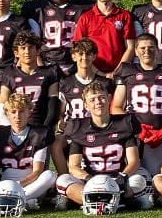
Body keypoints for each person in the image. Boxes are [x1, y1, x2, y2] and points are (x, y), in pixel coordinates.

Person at [56, 82, 148, 210]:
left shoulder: (125, 123)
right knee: (63, 180)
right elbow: (73, 166)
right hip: (90, 181)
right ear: (86, 105)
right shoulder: (78, 127)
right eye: (92, 100)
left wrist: (122, 177)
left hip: (117, 179)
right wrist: (88, 178)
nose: (98, 102)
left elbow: (134, 161)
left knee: (141, 179)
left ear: (109, 99)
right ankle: (120, 201)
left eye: (101, 97)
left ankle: (90, 201)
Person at [0, 93, 57, 214]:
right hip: (2, 187)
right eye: (13, 112)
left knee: (50, 175)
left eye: (22, 111)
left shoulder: (39, 134)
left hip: (28, 186)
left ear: (29, 112)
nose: (17, 116)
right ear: (7, 113)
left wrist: (17, 185)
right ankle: (21, 203)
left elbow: (37, 171)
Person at [113, 33, 162, 175]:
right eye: (143, 48)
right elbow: (116, 107)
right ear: (135, 51)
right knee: (134, 174)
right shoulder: (127, 71)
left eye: (151, 48)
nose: (147, 51)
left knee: (159, 174)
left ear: (158, 49)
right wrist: (136, 129)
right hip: (134, 134)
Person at [20, 0, 92, 74]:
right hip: (46, 62)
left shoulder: (83, 8)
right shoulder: (37, 9)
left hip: (73, 64)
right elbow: (29, 39)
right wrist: (38, 62)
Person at [71, 0, 137, 75]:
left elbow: (130, 47)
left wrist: (117, 72)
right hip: (92, 74)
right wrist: (98, 73)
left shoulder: (125, 16)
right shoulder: (85, 18)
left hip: (120, 74)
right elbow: (79, 49)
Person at [0, 30, 63, 129]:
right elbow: (2, 109)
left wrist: (43, 131)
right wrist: (13, 130)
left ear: (38, 51)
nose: (27, 52)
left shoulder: (50, 72)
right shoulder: (9, 74)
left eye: (30, 48)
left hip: (40, 127)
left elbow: (52, 109)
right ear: (16, 53)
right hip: (15, 128)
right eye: (23, 48)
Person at [57, 39, 104, 122]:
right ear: (73, 56)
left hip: (98, 131)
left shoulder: (105, 83)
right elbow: (60, 114)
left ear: (94, 56)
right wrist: (61, 123)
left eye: (88, 54)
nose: (84, 57)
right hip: (73, 131)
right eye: (81, 54)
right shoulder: (65, 83)